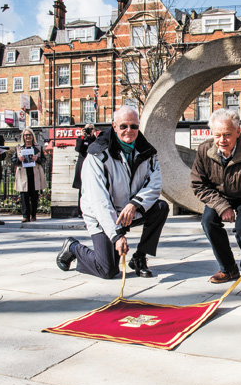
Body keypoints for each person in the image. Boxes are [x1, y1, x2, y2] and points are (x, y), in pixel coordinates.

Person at [56, 106, 169, 279]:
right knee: (107, 270)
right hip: (101, 215)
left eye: (134, 126)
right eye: (123, 126)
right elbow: (99, 200)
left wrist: (135, 204)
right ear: (114, 126)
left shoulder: (148, 152)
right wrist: (117, 235)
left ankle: (139, 257)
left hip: (128, 210)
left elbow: (155, 184)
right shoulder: (97, 154)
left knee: (161, 207)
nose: (129, 131)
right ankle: (73, 247)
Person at [190, 109, 241, 283]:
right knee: (208, 221)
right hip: (217, 195)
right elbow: (198, 184)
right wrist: (222, 206)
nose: (222, 140)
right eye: (217, 135)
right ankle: (228, 268)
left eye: (227, 134)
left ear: (238, 132)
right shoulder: (204, 150)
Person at [13, 127, 47, 223]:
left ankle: (33, 215)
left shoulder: (38, 147)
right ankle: (25, 215)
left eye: (29, 135)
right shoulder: (19, 147)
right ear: (23, 137)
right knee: (24, 196)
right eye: (26, 135)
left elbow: (44, 160)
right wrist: (19, 160)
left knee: (34, 196)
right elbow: (14, 161)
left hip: (34, 173)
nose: (28, 137)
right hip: (23, 173)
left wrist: (37, 159)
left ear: (32, 136)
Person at [72, 123, 97, 217]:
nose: (89, 131)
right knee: (81, 189)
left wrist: (91, 136)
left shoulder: (95, 140)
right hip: (82, 164)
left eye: (91, 129)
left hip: (92, 164)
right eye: (87, 129)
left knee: (92, 188)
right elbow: (78, 149)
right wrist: (82, 137)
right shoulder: (81, 139)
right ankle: (80, 211)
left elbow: (94, 147)